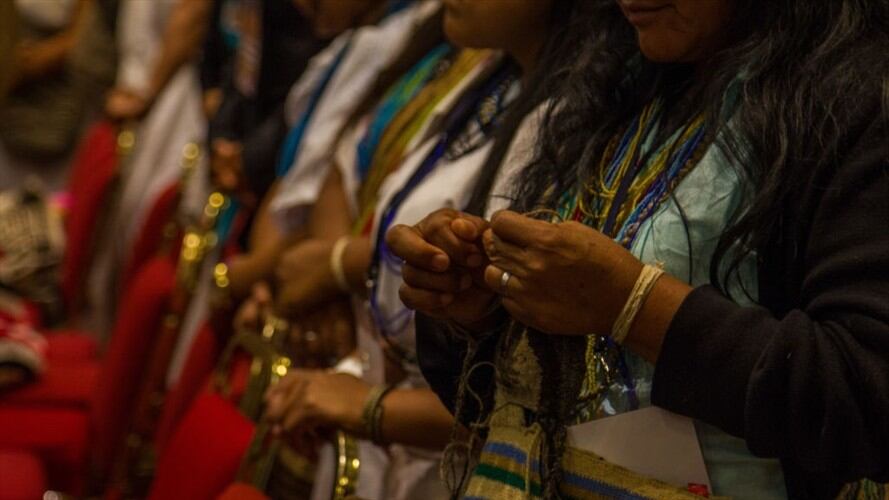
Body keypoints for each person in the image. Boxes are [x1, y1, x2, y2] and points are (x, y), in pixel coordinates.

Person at [388, 0, 889, 498]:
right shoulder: (625, 82)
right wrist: (481, 307)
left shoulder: (858, 97)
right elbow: (510, 407)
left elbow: (869, 397)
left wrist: (635, 306)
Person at [260, 1, 581, 498]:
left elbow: (524, 387)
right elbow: (350, 166)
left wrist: (370, 404)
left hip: (440, 460)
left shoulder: (572, 115)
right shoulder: (492, 74)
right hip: (379, 417)